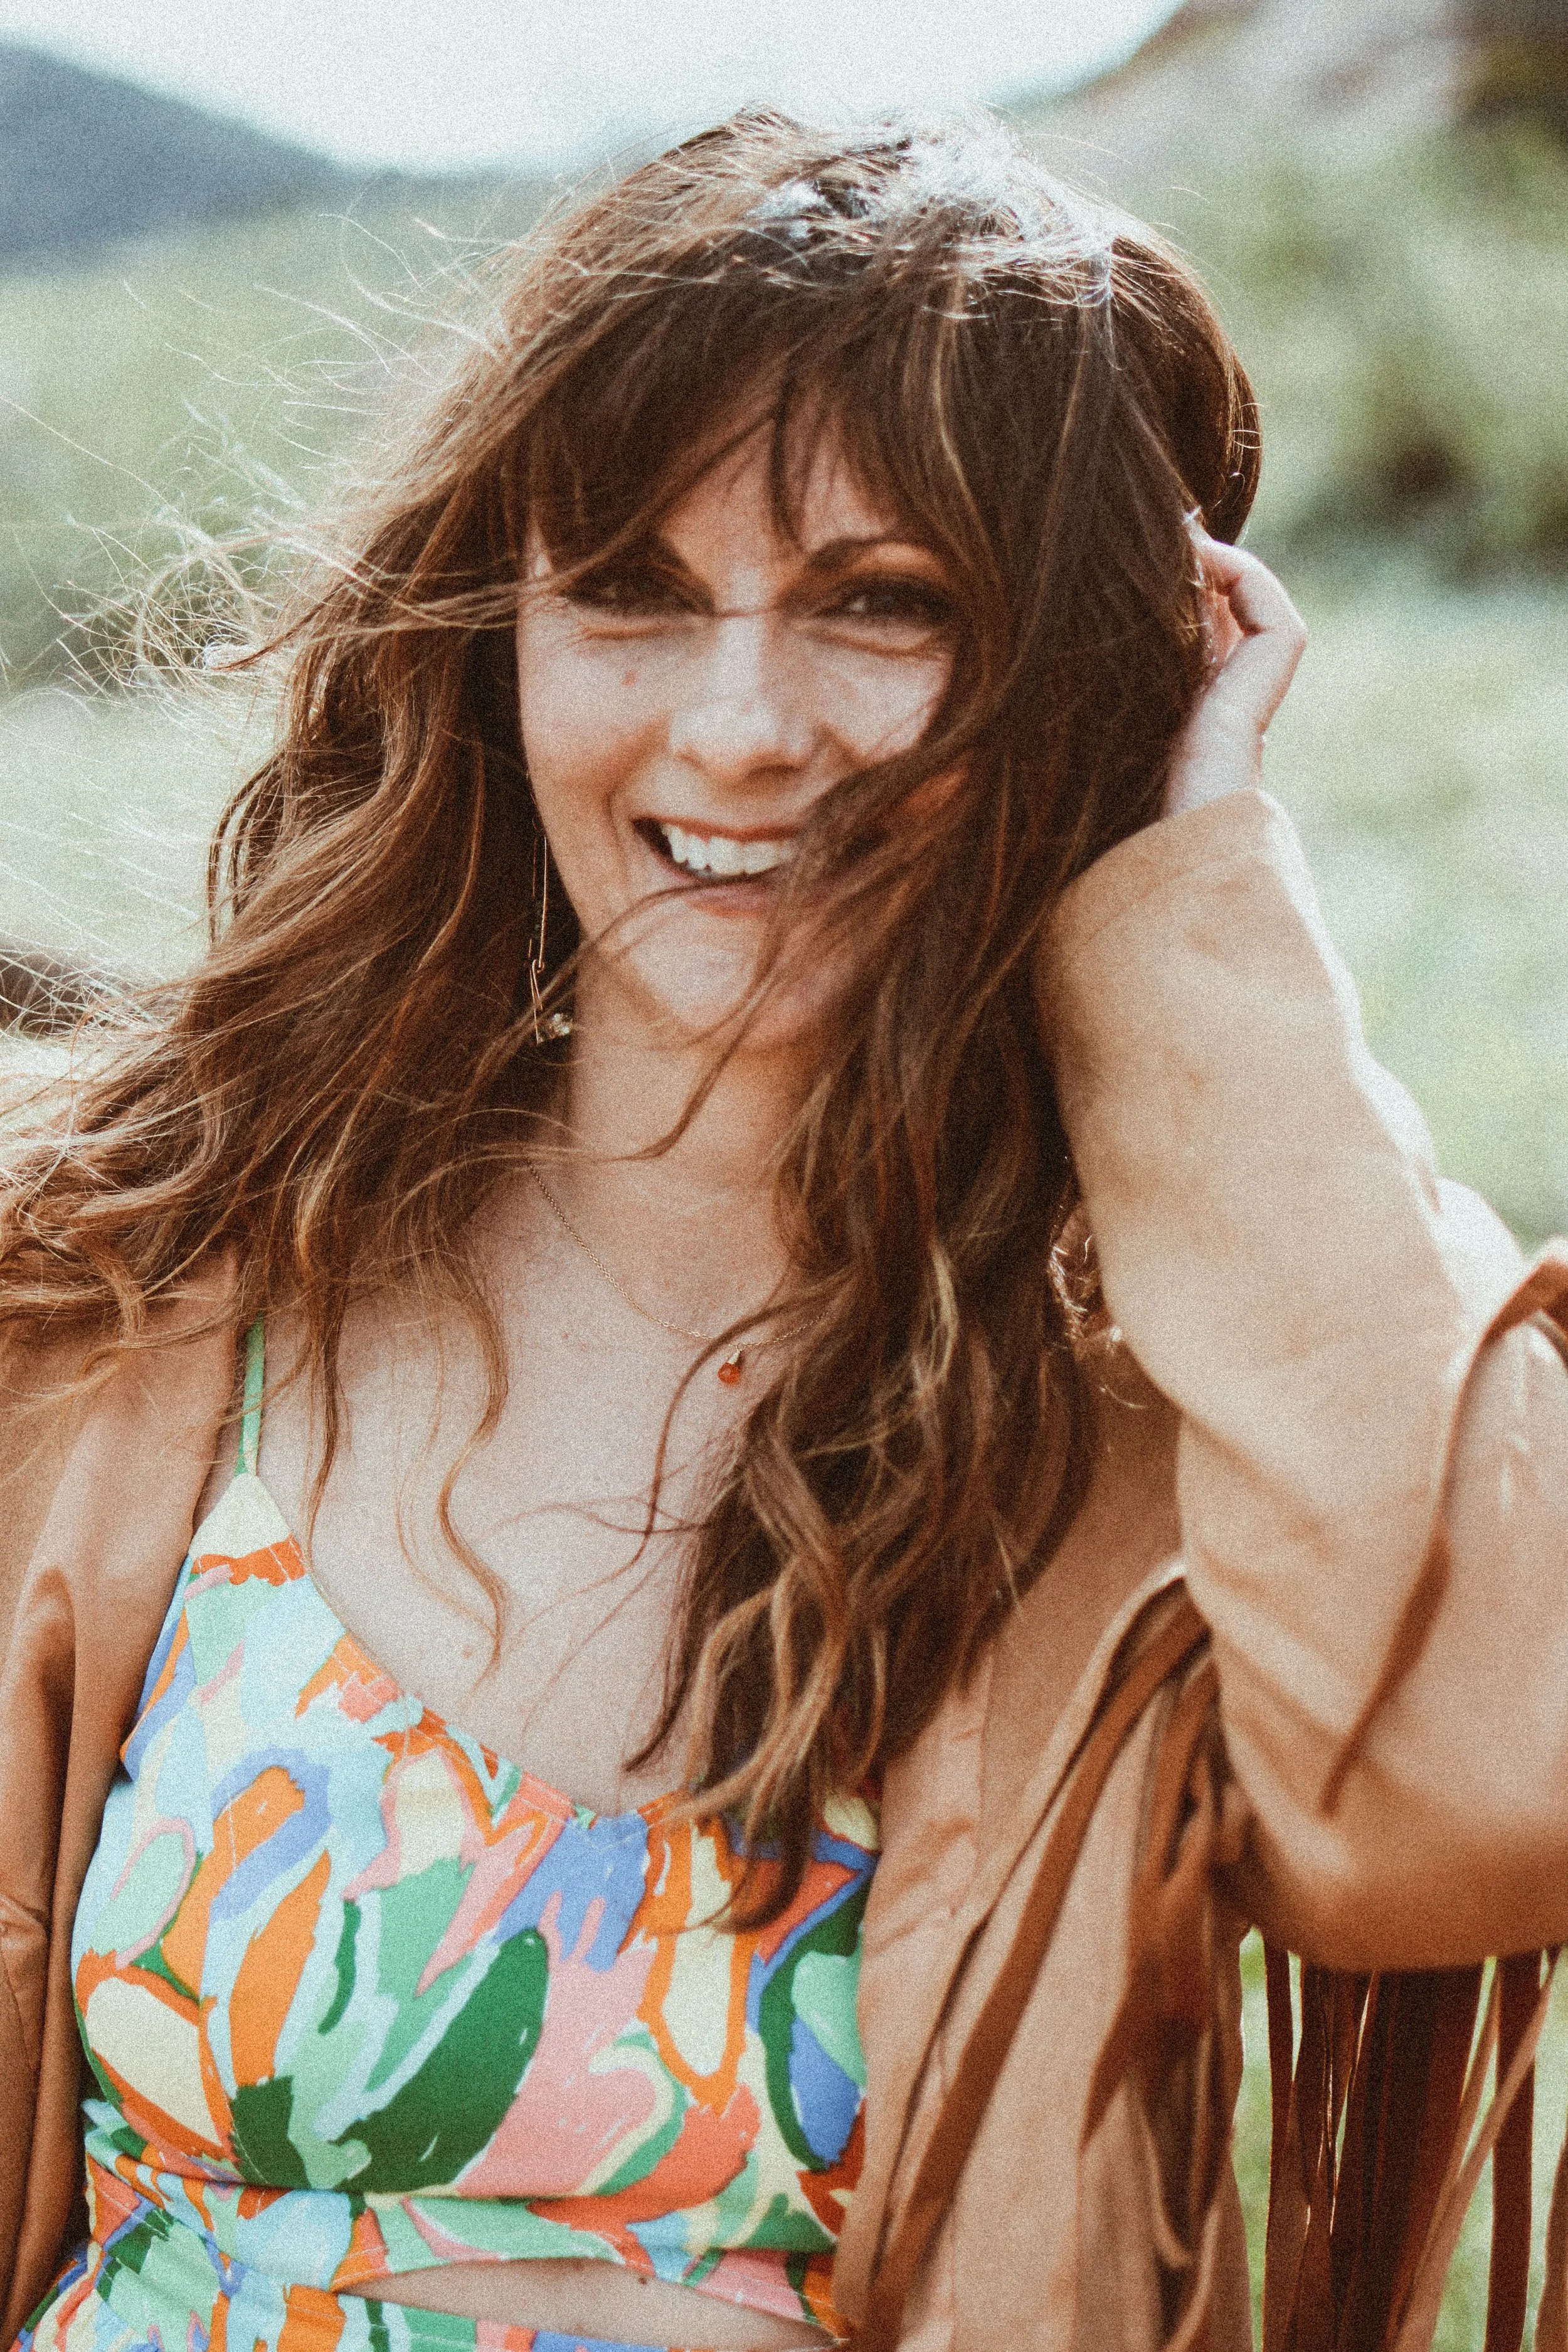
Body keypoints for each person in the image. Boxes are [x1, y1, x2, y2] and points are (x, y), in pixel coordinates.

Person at [1, 108, 1565, 2352]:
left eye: (883, 602)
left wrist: (1194, 893)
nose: (739, 725)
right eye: (630, 591)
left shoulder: (1165, 1450)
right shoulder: (133, 1297)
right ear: (499, 642)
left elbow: (1496, 1790)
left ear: (1076, 677)